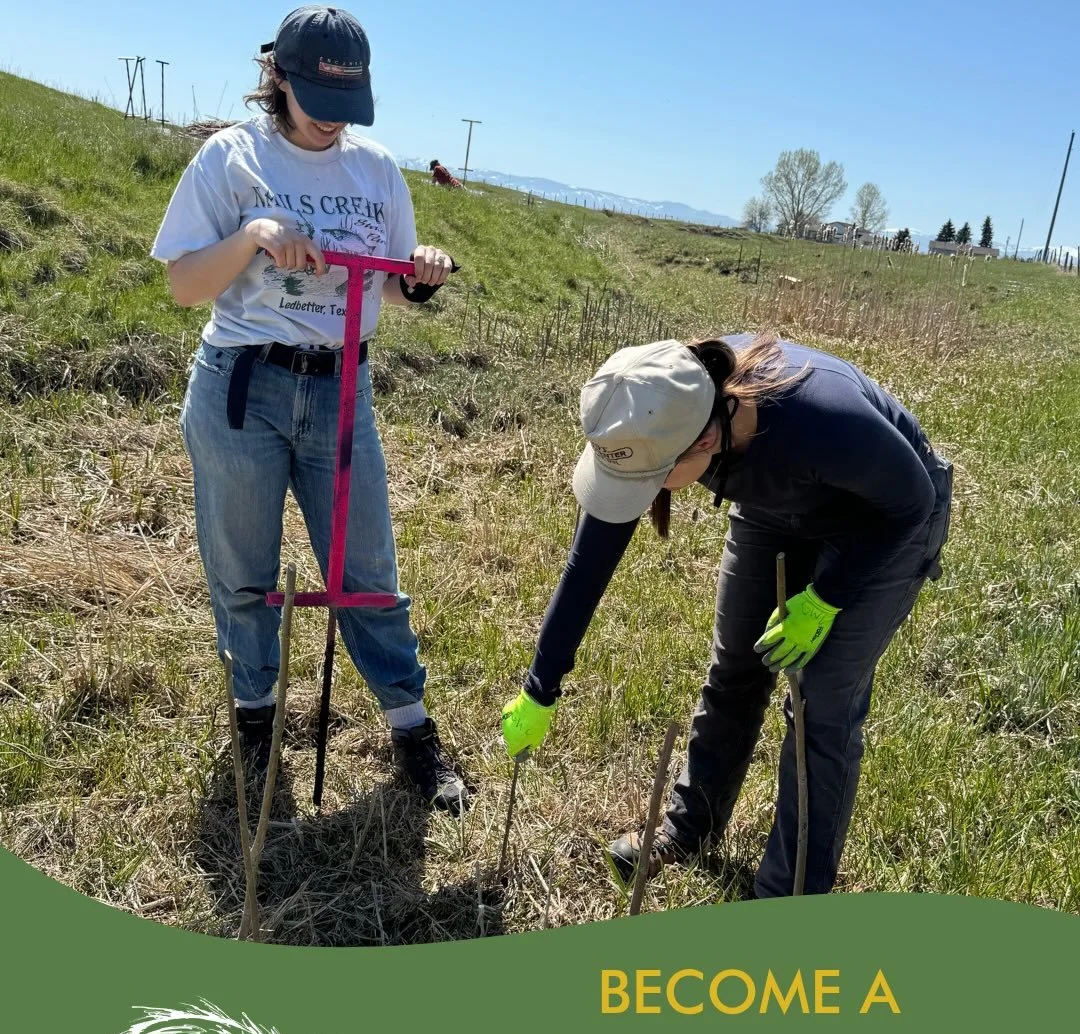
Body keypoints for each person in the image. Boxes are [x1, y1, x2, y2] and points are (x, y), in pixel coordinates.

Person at [151, 5, 469, 813]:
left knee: (368, 573)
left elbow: (396, 278)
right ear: (278, 79)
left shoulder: (377, 169)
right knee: (243, 570)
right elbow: (184, 285)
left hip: (341, 390)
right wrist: (255, 233)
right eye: (316, 100)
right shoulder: (231, 158)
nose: (332, 121)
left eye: (347, 105)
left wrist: (422, 269)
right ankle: (255, 720)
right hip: (242, 388)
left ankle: (413, 729)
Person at [501, 335, 953, 897]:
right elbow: (588, 560)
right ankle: (691, 826)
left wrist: (827, 597)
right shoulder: (649, 413)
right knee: (735, 666)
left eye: (650, 481)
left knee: (819, 708)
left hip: (884, 515)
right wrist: (540, 685)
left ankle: (790, 894)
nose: (641, 495)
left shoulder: (819, 416)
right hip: (777, 503)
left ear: (708, 438)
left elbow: (909, 499)